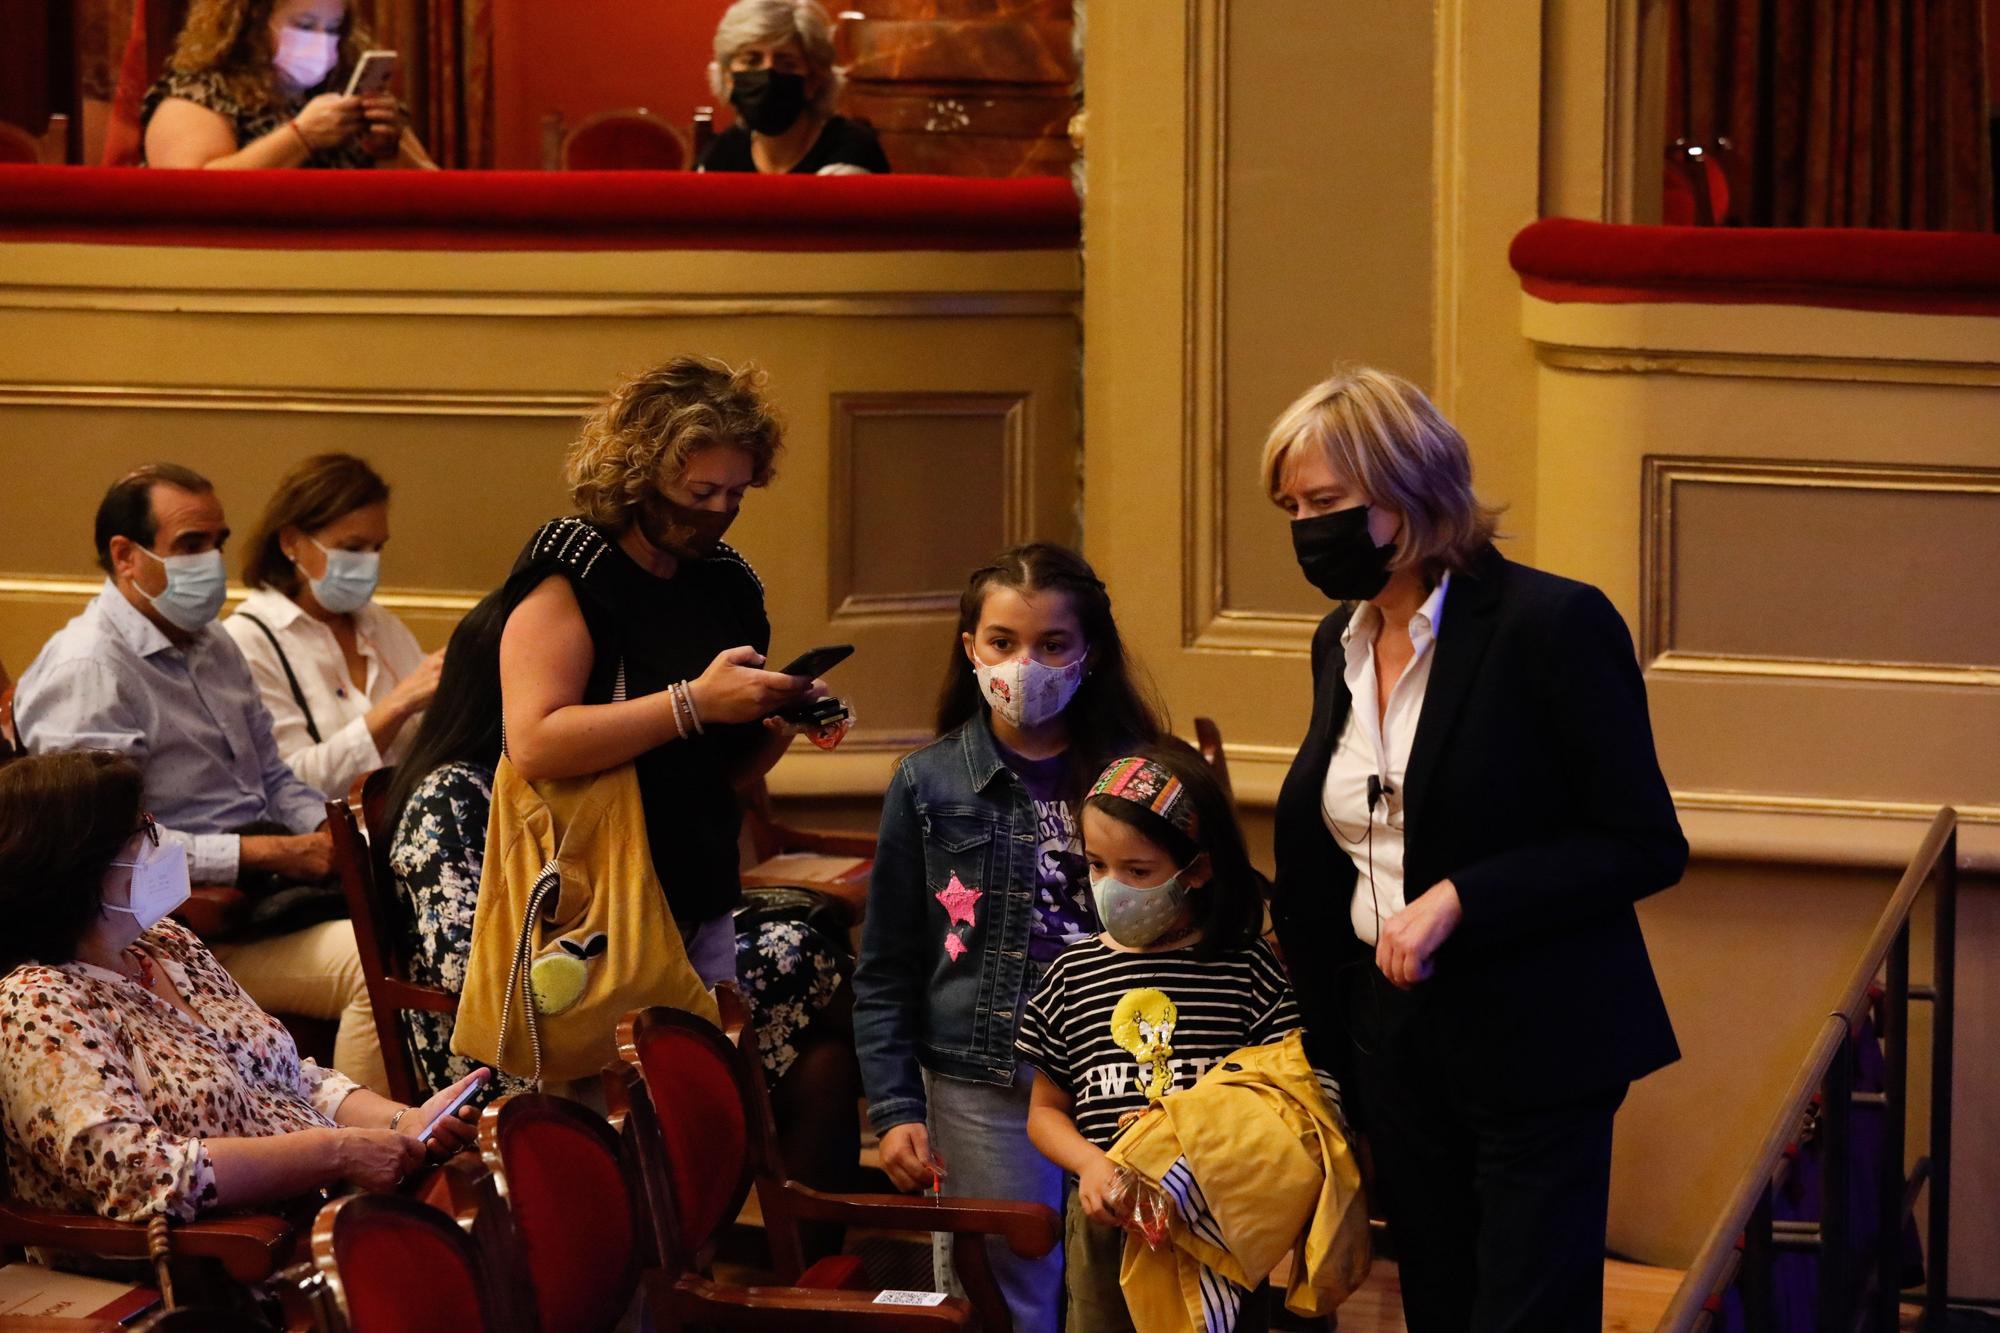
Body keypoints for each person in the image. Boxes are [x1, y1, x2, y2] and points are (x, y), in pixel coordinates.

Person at [1264, 368, 1688, 1332]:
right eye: (1291, 506)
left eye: (1326, 502)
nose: (1304, 528)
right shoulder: (1339, 639)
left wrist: (1464, 895)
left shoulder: (1552, 624)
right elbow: (1353, 839)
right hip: (1397, 1044)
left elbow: (1642, 843)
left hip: (1534, 1035)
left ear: (1409, 489)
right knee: (1440, 1307)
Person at [390, 589, 857, 1210]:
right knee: (803, 951)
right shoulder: (449, 794)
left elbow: (649, 874)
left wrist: (774, 731)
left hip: (610, 986)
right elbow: (465, 967)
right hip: (516, 1045)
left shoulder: (572, 770)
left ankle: (780, 1272)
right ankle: (922, 1113)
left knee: (821, 1063)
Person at [853, 543, 1165, 1330]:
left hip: (1123, 1070)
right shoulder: (927, 782)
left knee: (1129, 1282)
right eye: (1003, 642)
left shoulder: (1141, 773)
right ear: (971, 648)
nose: (1026, 664)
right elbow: (887, 961)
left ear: (1089, 652)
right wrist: (893, 1105)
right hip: (980, 1076)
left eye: (1053, 644)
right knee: (1003, 1285)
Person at [14, 463, 388, 1093]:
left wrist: (341, 841)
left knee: (409, 911)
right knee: (368, 960)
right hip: (174, 924)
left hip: (272, 897)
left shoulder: (214, 643)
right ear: (126, 556)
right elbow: (105, 852)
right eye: (190, 545)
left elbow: (275, 777)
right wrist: (264, 853)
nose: (211, 560)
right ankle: (355, 1170)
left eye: (217, 541)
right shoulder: (87, 670)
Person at [0, 750, 482, 1224]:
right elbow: (142, 1174)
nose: (161, 844)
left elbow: (286, 1076)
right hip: (236, 1256)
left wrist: (404, 1122)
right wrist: (334, 1153)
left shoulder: (165, 943)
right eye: (141, 832)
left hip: (330, 1210)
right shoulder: (38, 1002)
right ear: (76, 869)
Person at [1019, 745, 1328, 1333]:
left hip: (1218, 1224)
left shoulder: (1246, 971)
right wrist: (1090, 1165)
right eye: (1096, 866)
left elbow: (1286, 1101)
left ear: (1199, 870)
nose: (1111, 888)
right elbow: (1043, 1114)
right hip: (1107, 1224)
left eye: (1137, 871)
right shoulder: (1072, 975)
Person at [224, 453, 442, 801]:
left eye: (377, 548)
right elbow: (291, 785)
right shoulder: (247, 641)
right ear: (291, 542)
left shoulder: (379, 622)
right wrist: (398, 706)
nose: (369, 563)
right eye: (352, 548)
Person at [142, 0, 436, 170]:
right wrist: (300, 138)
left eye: (333, 28)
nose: (321, 39)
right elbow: (191, 197)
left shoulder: (346, 92)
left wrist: (390, 149)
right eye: (305, 26)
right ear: (253, 24)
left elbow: (438, 194)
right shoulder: (198, 95)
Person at [697, 0, 890, 176]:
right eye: (751, 61)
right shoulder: (722, 153)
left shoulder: (850, 151)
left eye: (787, 64)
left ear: (813, 80)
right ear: (728, 78)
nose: (768, 74)